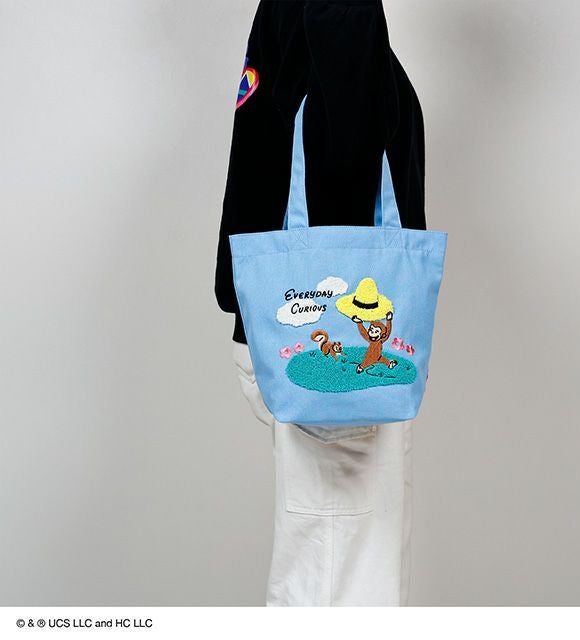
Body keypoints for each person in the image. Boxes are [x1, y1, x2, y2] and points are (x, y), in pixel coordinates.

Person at [215, 0, 426, 606]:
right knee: (346, 575)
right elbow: (345, 154)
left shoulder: (283, 11)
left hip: (283, 323)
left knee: (321, 563)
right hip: (340, 353)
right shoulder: (339, 11)